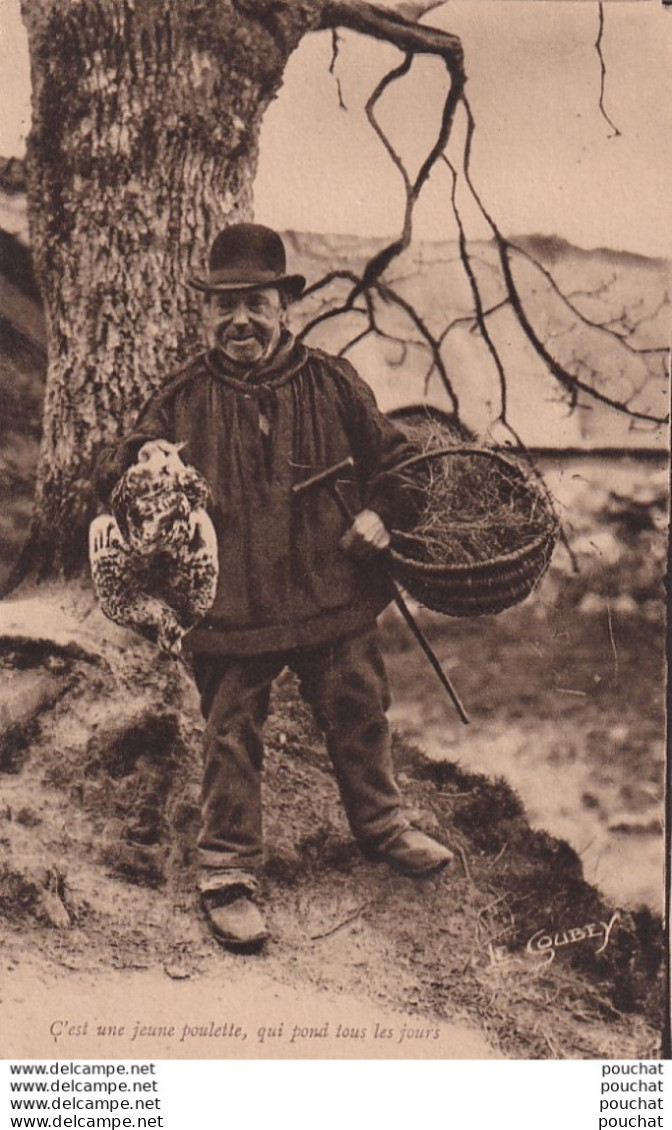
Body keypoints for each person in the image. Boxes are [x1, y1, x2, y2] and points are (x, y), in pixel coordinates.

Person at [95, 223, 453, 951]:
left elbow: (399, 465)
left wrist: (382, 514)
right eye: (223, 307)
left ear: (284, 306)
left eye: (255, 303)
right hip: (233, 604)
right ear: (203, 316)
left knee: (359, 707)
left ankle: (384, 827)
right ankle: (227, 872)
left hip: (332, 588)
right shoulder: (181, 397)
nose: (239, 322)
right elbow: (123, 474)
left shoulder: (332, 382)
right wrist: (143, 468)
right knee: (230, 729)